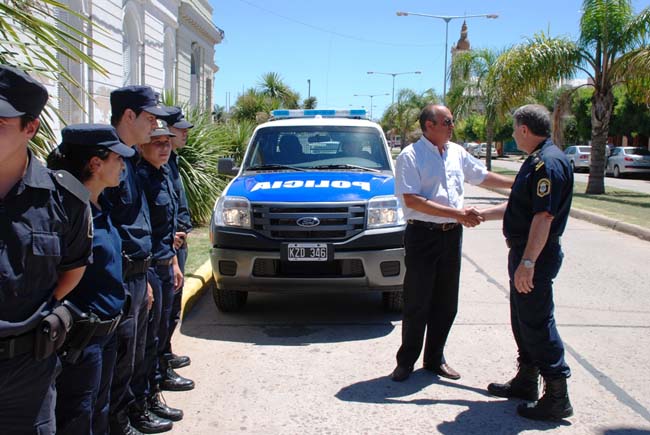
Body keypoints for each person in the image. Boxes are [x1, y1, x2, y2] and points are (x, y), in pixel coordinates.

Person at [0, 65, 92, 434]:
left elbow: (72, 269)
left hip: (28, 377)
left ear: (31, 128)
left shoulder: (65, 200)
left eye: (0, 123)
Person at [391, 104, 513, 383]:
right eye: (447, 121)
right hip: (422, 235)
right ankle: (406, 361)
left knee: (446, 302)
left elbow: (481, 176)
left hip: (451, 235)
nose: (452, 126)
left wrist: (517, 183)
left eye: (451, 121)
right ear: (429, 125)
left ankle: (435, 358)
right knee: (417, 301)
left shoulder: (456, 152)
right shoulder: (410, 156)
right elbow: (412, 200)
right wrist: (458, 214)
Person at [478, 104, 574, 421]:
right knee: (522, 320)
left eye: (514, 128)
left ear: (523, 129)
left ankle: (557, 395)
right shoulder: (536, 160)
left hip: (536, 254)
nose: (513, 134)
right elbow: (520, 207)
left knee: (537, 321)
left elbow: (543, 216)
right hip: (525, 251)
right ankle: (526, 380)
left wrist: (529, 262)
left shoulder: (547, 163)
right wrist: (482, 214)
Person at [47, 124, 135, 435]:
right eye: (117, 158)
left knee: (100, 410)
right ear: (96, 164)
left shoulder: (99, 203)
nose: (123, 166)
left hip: (106, 334)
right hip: (82, 342)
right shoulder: (67, 213)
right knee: (78, 416)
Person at [104, 85, 171, 435]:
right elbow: (108, 226)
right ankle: (119, 423)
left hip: (139, 272)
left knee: (135, 353)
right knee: (120, 359)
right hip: (120, 276)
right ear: (129, 116)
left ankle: (133, 413)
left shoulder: (129, 159)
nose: (155, 126)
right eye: (150, 118)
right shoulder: (106, 157)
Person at [158, 106, 193, 374]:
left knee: (172, 306)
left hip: (178, 240)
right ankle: (161, 365)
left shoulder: (172, 160)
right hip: (168, 245)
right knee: (164, 310)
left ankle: (166, 354)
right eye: (179, 128)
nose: (185, 133)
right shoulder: (158, 163)